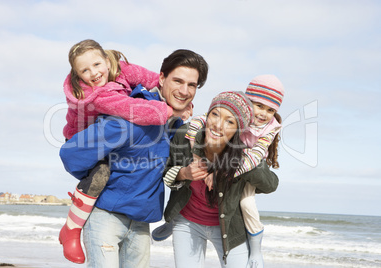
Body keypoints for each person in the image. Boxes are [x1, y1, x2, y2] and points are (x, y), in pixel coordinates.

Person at [59, 48, 209, 267]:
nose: (184, 90)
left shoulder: (176, 124)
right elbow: (71, 154)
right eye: (177, 81)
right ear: (161, 78)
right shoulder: (131, 117)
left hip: (141, 222)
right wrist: (98, 177)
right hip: (106, 218)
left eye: (192, 85)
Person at [153, 75, 285, 268]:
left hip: (229, 228)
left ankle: (256, 247)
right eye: (215, 115)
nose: (219, 125)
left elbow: (270, 184)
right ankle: (170, 222)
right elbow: (165, 172)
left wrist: (228, 170)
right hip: (187, 221)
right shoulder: (187, 135)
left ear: (240, 129)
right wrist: (185, 173)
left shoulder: (247, 153)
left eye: (230, 122)